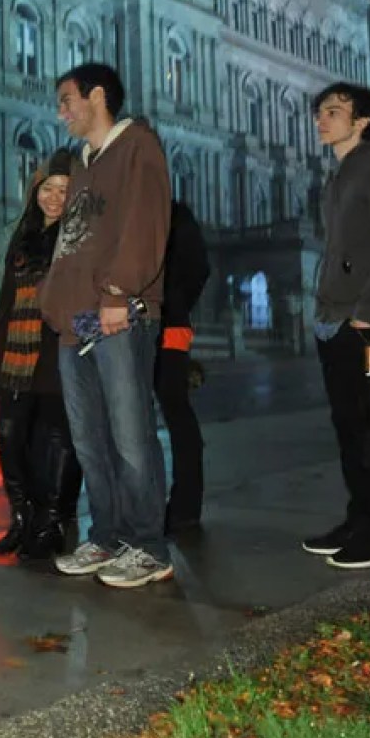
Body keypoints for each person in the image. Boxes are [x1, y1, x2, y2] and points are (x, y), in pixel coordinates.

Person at [38, 63, 173, 589]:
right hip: (75, 322)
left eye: (67, 99)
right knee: (90, 438)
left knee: (130, 434)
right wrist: (54, 301)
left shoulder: (138, 144)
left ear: (97, 95)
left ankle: (149, 546)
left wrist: (120, 290)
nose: (61, 111)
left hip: (119, 314)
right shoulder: (83, 164)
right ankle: (109, 534)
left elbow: (147, 220)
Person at [303, 82, 370, 570]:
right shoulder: (340, 175)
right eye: (319, 113)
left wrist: (366, 308)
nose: (321, 120)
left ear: (363, 120)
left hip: (367, 321)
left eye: (333, 111)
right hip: (336, 320)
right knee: (348, 425)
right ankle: (359, 517)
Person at [0, 150, 82, 561]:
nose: (54, 197)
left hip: (54, 348)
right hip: (14, 352)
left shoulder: (77, 235)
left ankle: (53, 521)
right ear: (35, 190)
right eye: (48, 188)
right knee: (9, 435)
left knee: (57, 439)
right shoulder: (22, 232)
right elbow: (5, 296)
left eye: (64, 190)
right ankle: (21, 518)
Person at [155, 200, 210, 534]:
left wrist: (174, 302)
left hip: (171, 326)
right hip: (132, 328)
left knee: (175, 409)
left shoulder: (175, 213)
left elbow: (199, 269)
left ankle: (186, 505)